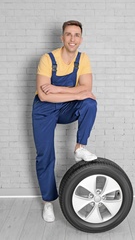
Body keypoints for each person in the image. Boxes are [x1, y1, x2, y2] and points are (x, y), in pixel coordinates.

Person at [32, 20, 97, 222]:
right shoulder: (47, 59)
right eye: (68, 34)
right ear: (62, 37)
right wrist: (75, 93)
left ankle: (79, 148)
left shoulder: (83, 58)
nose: (72, 39)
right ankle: (48, 202)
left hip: (65, 107)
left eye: (76, 35)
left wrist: (58, 89)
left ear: (81, 39)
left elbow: (86, 91)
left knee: (89, 103)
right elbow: (44, 96)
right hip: (44, 110)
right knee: (46, 156)